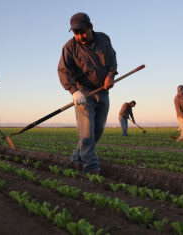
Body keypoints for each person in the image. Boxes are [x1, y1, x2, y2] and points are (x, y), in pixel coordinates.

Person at [58, 12, 117, 174]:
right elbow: (63, 70)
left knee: (97, 131)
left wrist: (111, 75)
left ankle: (76, 158)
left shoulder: (104, 39)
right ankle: (91, 167)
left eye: (82, 31)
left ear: (91, 27)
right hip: (83, 93)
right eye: (76, 33)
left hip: (103, 92)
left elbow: (112, 57)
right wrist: (74, 91)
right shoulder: (69, 47)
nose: (80, 36)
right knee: (87, 132)